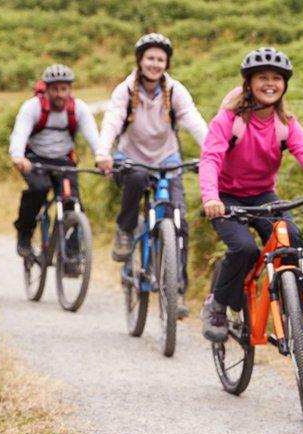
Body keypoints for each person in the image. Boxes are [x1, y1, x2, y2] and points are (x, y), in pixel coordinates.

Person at [198, 47, 303, 342]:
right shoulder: (229, 120)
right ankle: (217, 304)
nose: (270, 84)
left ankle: (294, 308)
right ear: (249, 84)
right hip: (226, 197)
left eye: (276, 78)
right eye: (262, 78)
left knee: (292, 241)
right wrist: (211, 198)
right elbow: (210, 158)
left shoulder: (285, 123)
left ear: (285, 84)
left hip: (263, 195)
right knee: (244, 249)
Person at [96, 33, 208, 318]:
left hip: (167, 159)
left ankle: (177, 291)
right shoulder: (126, 90)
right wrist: (102, 152)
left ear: (166, 63)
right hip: (130, 158)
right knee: (134, 179)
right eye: (150, 58)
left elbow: (193, 120)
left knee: (178, 221)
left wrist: (212, 152)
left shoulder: (175, 90)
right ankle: (125, 230)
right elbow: (112, 120)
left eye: (160, 59)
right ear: (140, 61)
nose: (155, 64)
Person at [9, 64, 100, 260]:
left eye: (64, 89)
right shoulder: (32, 107)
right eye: (55, 89)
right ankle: (24, 233)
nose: (60, 94)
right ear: (46, 89)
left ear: (70, 89)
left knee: (73, 203)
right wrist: (18, 156)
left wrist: (102, 158)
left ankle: (72, 254)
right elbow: (20, 134)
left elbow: (94, 139)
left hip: (64, 161)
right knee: (39, 189)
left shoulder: (78, 109)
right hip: (34, 160)